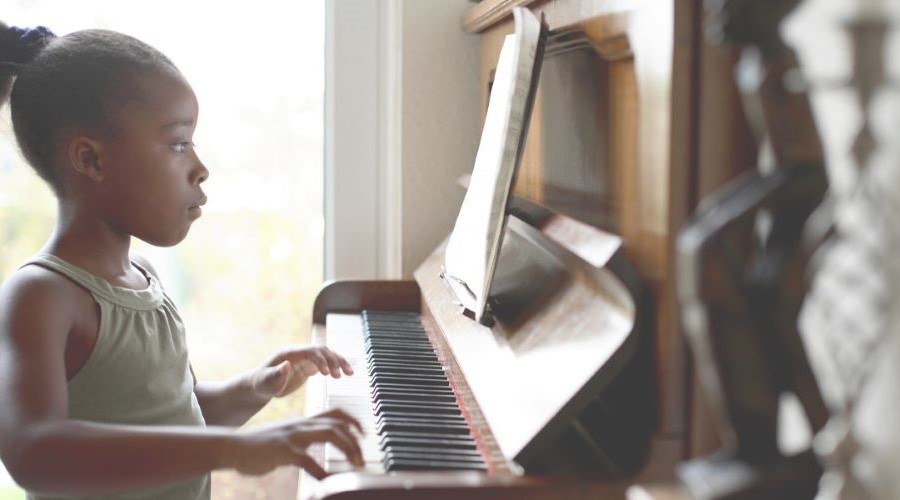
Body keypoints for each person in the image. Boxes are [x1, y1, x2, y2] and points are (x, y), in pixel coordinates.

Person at [0, 22, 364, 499]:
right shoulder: (41, 296)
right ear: (92, 161)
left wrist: (257, 385)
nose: (200, 166)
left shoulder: (145, 278)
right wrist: (232, 451)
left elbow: (184, 416)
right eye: (177, 144)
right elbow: (34, 453)